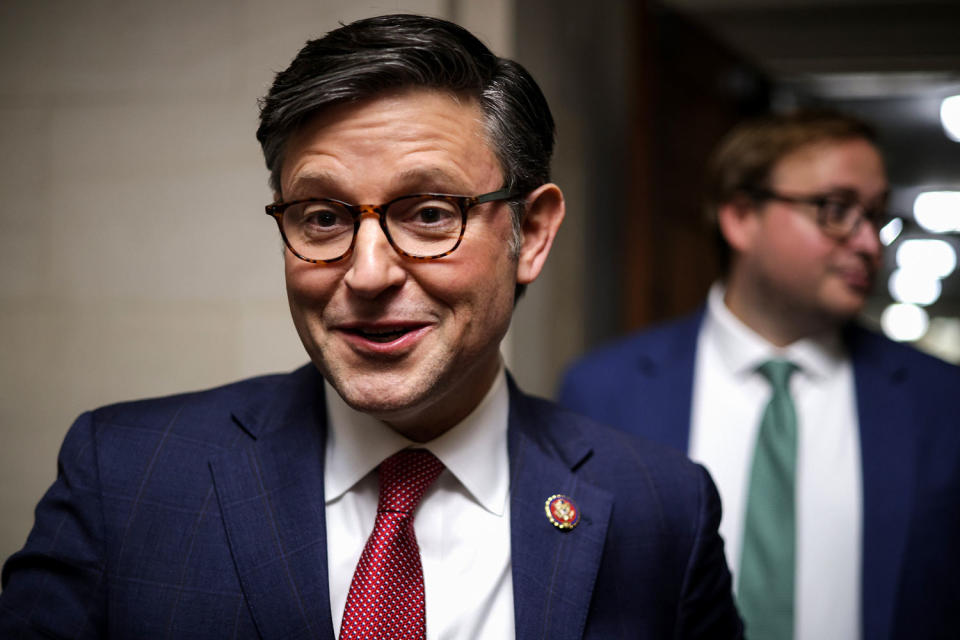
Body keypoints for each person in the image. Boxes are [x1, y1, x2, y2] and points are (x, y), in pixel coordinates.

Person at [0, 14, 742, 639]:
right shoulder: (125, 477)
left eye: (428, 214)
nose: (368, 274)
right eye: (322, 217)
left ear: (534, 233)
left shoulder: (660, 510)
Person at [559, 109, 960, 640]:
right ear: (741, 217)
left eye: (877, 215)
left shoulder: (939, 400)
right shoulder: (607, 391)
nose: (869, 243)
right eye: (836, 209)